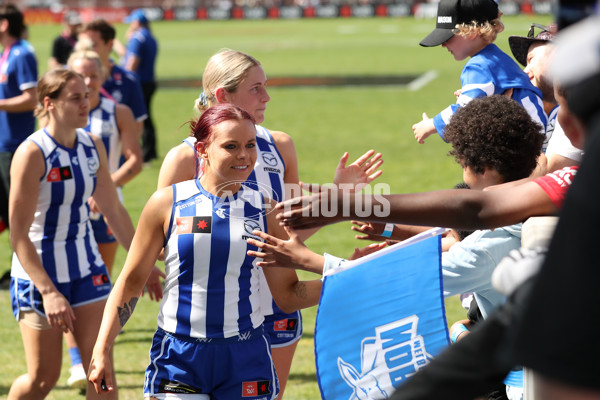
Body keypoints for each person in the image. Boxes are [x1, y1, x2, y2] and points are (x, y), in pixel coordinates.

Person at [157, 48, 383, 399]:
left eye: (265, 86)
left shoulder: (281, 146)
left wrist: (336, 197)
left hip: (278, 305)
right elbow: (160, 247)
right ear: (223, 96)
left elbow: (291, 236)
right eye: (256, 88)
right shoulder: (185, 158)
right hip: (207, 323)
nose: (267, 96)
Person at [88, 103, 323, 399]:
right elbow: (131, 282)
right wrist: (102, 347)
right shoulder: (166, 203)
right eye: (231, 146)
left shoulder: (264, 209)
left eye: (251, 145)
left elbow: (288, 295)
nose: (244, 155)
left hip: (245, 354)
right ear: (202, 149)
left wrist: (346, 274)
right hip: (179, 356)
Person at [7, 68, 140, 400]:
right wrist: (49, 292)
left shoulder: (91, 145)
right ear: (49, 103)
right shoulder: (31, 153)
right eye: (76, 98)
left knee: (101, 371)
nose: (86, 103)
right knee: (43, 378)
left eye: (87, 96)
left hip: (86, 270)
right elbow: (19, 235)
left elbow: (114, 211)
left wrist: (143, 263)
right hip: (39, 277)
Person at [412, 0, 547, 145]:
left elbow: (464, 112)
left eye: (448, 37)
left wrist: (430, 125)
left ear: (471, 32)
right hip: (535, 138)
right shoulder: (494, 58)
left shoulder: (479, 66)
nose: (443, 44)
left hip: (529, 145)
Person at [508, 22, 584, 176]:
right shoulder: (550, 108)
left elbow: (546, 171)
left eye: (530, 59)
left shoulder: (580, 102)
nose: (525, 71)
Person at [0, 3, 38, 234]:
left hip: (16, 146)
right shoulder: (5, 53)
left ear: (4, 24)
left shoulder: (22, 53)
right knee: (6, 213)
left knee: (20, 214)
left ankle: (25, 267)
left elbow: (32, 98)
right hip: (3, 144)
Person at [78, 19, 147, 139]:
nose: (86, 50)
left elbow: (136, 130)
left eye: (93, 45)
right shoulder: (67, 80)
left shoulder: (128, 81)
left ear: (109, 45)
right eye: (82, 45)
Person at [121, 9, 158, 163]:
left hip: (139, 83)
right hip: (149, 81)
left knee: (139, 118)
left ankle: (146, 153)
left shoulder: (137, 38)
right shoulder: (150, 37)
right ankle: (151, 151)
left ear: (136, 22)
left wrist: (124, 81)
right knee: (147, 117)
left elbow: (132, 63)